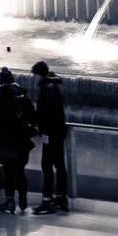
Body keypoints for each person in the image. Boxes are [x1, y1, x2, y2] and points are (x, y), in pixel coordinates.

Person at [0, 67, 35, 214]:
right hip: (23, 141)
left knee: (9, 172)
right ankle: (23, 198)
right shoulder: (23, 97)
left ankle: (10, 201)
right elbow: (32, 117)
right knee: (20, 171)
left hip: (6, 142)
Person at [32, 60, 71, 213]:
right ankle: (61, 198)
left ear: (38, 74)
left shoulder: (47, 89)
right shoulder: (52, 86)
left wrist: (45, 132)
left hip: (52, 133)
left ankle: (47, 201)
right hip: (59, 132)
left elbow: (48, 113)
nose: (33, 78)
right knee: (59, 165)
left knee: (46, 165)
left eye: (34, 75)